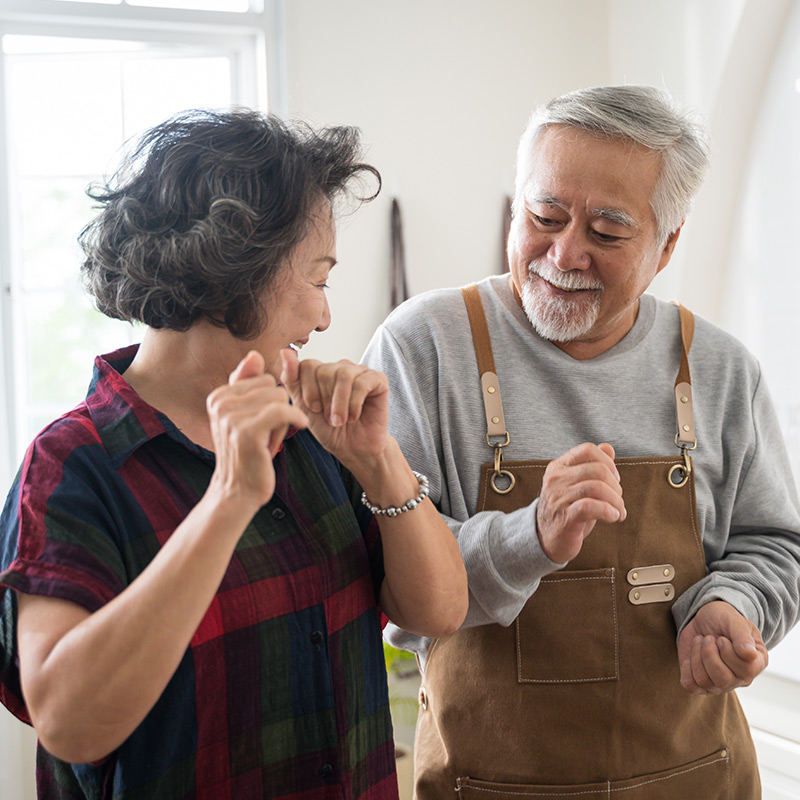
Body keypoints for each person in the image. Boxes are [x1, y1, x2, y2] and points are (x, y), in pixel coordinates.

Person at [0, 109, 468, 800]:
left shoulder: (312, 434)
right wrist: (227, 500)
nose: (325, 317)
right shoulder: (73, 466)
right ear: (233, 270)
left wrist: (378, 461)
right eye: (318, 277)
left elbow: (439, 611)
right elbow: (69, 724)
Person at [362, 85, 800, 798]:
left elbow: (776, 544)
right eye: (544, 215)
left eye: (608, 231)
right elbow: (390, 578)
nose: (564, 253)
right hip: (488, 782)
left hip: (695, 779)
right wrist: (528, 535)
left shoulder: (718, 369)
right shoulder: (424, 348)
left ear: (667, 244)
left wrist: (735, 604)